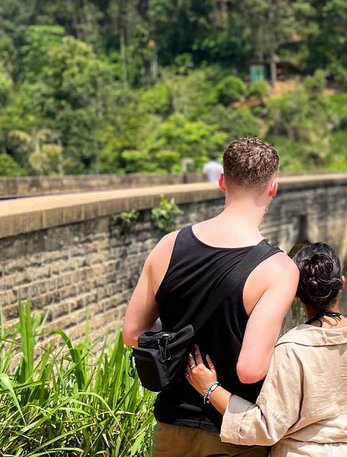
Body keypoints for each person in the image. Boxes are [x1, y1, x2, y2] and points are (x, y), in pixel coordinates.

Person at [122, 138, 299, 456]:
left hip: (171, 427)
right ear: (272, 186)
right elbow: (250, 369)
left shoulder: (169, 245)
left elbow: (132, 334)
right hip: (233, 434)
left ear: (221, 181)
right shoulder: (277, 269)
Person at [185, 242, 347, 457]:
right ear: (341, 283)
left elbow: (266, 427)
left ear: (297, 294)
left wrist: (210, 388)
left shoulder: (292, 347)